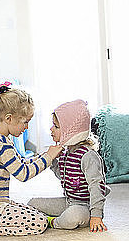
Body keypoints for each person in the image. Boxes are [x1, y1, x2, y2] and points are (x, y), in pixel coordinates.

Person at [0, 83, 63, 236]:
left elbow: (20, 162)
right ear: (9, 118)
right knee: (39, 222)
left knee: (32, 210)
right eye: (25, 122)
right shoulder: (0, 143)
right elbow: (23, 174)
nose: (26, 127)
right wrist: (48, 158)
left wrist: (44, 156)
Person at [28, 99, 110, 232]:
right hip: (69, 201)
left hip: (85, 208)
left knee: (74, 215)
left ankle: (53, 222)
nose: (51, 129)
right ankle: (50, 218)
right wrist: (52, 161)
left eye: (56, 126)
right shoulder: (67, 152)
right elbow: (65, 178)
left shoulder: (88, 155)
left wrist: (96, 215)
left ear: (71, 132)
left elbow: (97, 185)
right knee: (33, 203)